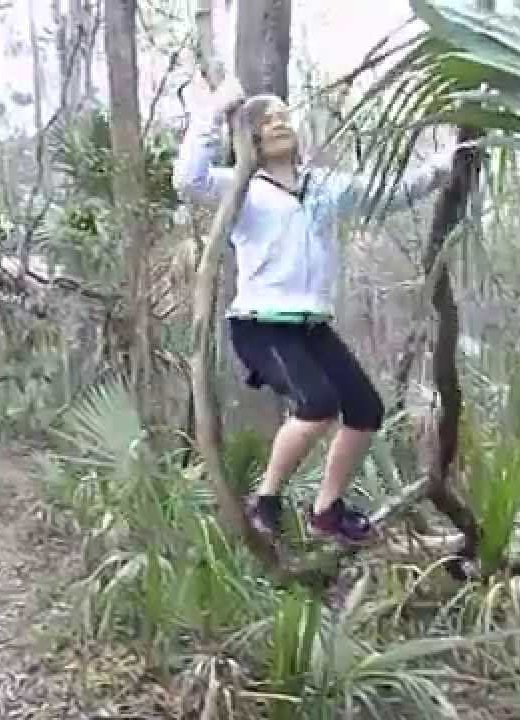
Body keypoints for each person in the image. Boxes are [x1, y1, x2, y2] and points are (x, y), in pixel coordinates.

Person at [171, 76, 458, 547]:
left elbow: (391, 192)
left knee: (366, 409)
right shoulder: (242, 187)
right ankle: (265, 499)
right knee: (318, 404)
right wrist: (214, 113)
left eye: (285, 115)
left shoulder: (324, 187)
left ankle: (327, 509)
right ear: (251, 138)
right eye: (266, 119)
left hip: (311, 326)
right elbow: (188, 180)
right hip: (260, 325)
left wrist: (448, 160)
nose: (279, 122)